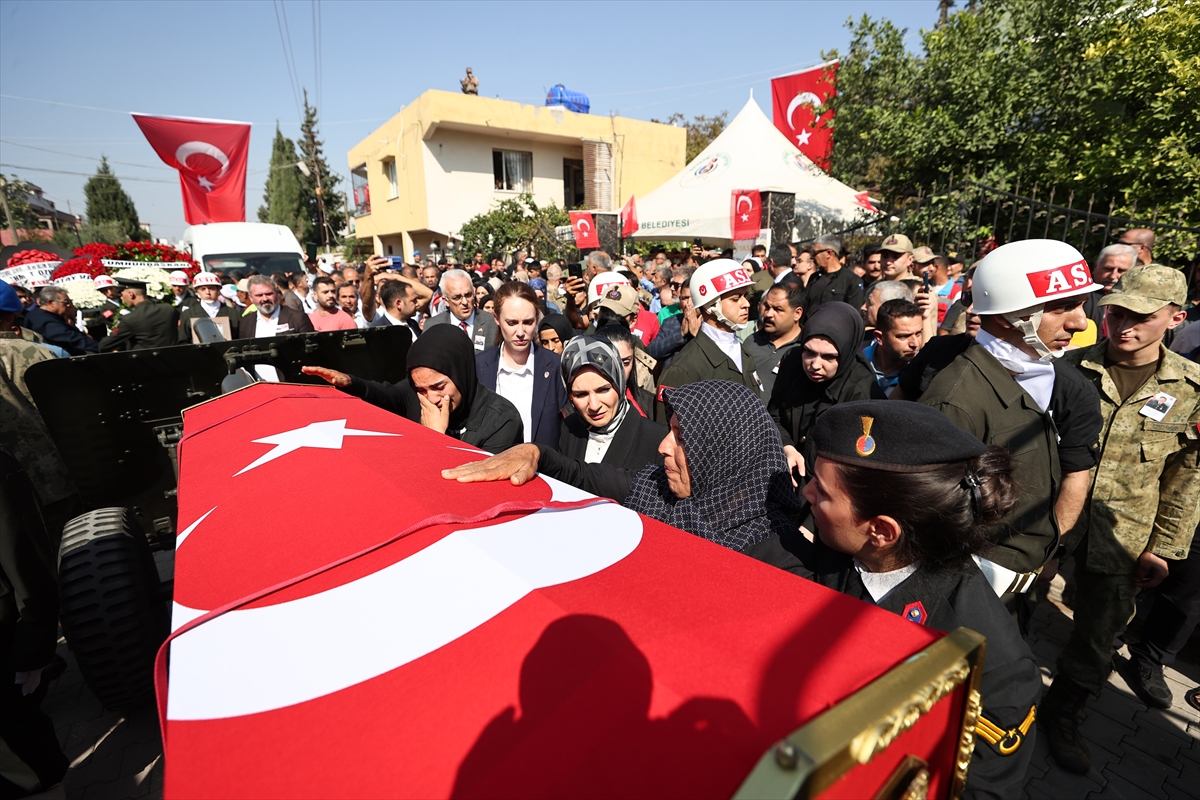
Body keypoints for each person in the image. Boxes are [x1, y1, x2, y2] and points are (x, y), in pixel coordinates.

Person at [792, 400, 1040, 800]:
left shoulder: (993, 670)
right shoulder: (828, 551)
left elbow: (978, 791)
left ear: (882, 532)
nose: (806, 494)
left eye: (821, 491)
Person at [1042, 264, 1200, 774]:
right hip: (1048, 520)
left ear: (1175, 317)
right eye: (1116, 311)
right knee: (1010, 604)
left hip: (1123, 533)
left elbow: (1186, 475)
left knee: (1098, 635)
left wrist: (1165, 548)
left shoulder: (1190, 389)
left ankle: (1063, 712)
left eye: (1141, 316)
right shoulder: (1068, 367)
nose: (1123, 324)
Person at [918, 240, 1103, 628]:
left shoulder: (1047, 374)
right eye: (1061, 307)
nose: (1081, 322)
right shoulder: (957, 400)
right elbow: (933, 524)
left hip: (1012, 593)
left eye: (1082, 304)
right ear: (1006, 318)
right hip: (970, 599)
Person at [442, 380, 802, 570]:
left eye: (680, 438)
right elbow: (582, 474)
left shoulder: (782, 559)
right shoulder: (655, 491)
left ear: (722, 454)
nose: (663, 447)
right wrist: (534, 452)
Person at [303, 325, 522, 453]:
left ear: (461, 374)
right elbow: (386, 395)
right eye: (422, 389)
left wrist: (435, 439)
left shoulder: (501, 421)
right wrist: (350, 383)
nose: (432, 398)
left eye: (439, 386)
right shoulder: (416, 394)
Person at [770, 302, 876, 480]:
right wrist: (786, 447)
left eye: (829, 357)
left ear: (847, 351)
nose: (815, 365)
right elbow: (774, 415)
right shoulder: (792, 362)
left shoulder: (860, 390)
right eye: (809, 352)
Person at [656, 259, 762, 420]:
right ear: (710, 306)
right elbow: (667, 433)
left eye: (745, 296)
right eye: (735, 298)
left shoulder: (744, 352)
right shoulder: (683, 369)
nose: (746, 304)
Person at [475, 281, 567, 449]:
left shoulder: (555, 366)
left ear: (537, 318)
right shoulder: (479, 366)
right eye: (512, 323)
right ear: (496, 318)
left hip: (544, 470)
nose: (520, 332)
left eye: (528, 322)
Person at [558, 336, 667, 471]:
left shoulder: (658, 440)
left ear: (619, 383)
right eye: (581, 394)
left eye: (604, 390)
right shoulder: (568, 428)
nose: (594, 405)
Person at [744, 282, 804, 401]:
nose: (768, 314)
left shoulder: (806, 349)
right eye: (766, 307)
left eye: (778, 309)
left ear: (797, 313)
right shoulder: (751, 342)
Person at [426, 268, 498, 353]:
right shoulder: (433, 326)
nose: (464, 302)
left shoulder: (493, 322)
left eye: (468, 295)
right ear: (446, 301)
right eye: (457, 297)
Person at [862, 299, 923, 397]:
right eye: (904, 336)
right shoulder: (857, 364)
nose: (915, 344)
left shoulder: (923, 371)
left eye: (918, 333)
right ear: (880, 337)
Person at [100, 278, 181, 351]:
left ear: (131, 294)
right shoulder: (168, 309)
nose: (121, 298)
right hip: (173, 360)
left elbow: (105, 345)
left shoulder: (129, 319)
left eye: (122, 295)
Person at [596, 324, 656, 418]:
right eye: (611, 362)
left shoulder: (650, 403)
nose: (619, 370)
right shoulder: (577, 408)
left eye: (625, 363)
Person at [22, 286, 98, 355]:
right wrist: (101, 348)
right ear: (51, 302)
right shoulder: (46, 321)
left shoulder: (37, 314)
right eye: (66, 302)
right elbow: (73, 339)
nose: (69, 305)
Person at [1081, 243, 1137, 335]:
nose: (1113, 276)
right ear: (1095, 267)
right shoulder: (1080, 296)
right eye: (1108, 269)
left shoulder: (1137, 299)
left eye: (1121, 271)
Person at [803, 235, 865, 315]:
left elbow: (854, 314)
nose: (812, 257)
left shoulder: (852, 281)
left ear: (829, 253)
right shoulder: (814, 278)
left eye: (815, 253)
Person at [237, 275, 315, 338]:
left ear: (277, 294)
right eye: (259, 295)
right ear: (251, 298)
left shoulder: (297, 318)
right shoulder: (246, 322)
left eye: (269, 294)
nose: (265, 299)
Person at [178, 272, 240, 343]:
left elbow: (239, 339)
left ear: (218, 290)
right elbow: (183, 341)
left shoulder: (233, 313)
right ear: (197, 292)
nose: (207, 292)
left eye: (211, 288)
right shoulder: (188, 314)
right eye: (203, 289)